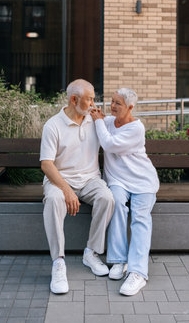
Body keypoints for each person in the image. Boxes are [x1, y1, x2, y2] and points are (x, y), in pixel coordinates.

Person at [40, 79, 115, 294]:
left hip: (90, 179)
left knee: (107, 198)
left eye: (94, 98)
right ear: (74, 100)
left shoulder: (95, 120)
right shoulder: (53, 125)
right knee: (54, 200)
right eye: (89, 98)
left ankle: (91, 252)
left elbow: (120, 127)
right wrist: (66, 190)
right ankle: (58, 262)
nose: (94, 103)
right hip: (60, 179)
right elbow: (46, 164)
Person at [90, 87, 159, 296]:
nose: (112, 106)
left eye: (118, 103)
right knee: (117, 204)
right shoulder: (109, 122)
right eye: (111, 101)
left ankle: (138, 272)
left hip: (142, 181)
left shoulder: (136, 128)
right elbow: (94, 123)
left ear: (130, 107)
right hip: (118, 180)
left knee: (140, 217)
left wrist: (99, 121)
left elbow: (109, 144)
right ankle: (118, 260)